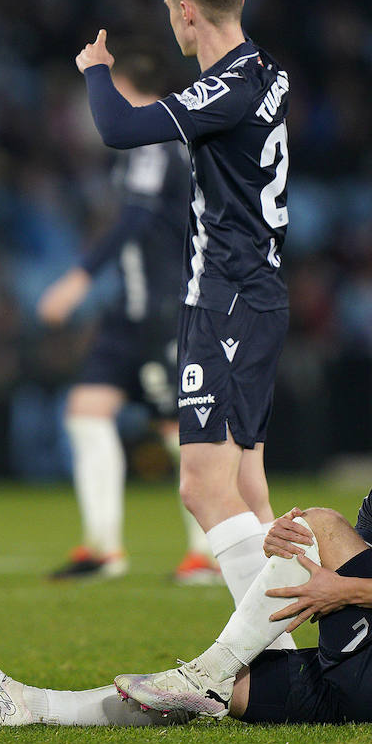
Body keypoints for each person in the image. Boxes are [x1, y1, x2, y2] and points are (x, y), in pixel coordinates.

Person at [0, 346, 372, 726]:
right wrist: (297, 562)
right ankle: (30, 706)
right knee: (213, 692)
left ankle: (209, 671)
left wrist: (333, 576)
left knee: (317, 522)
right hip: (366, 669)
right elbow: (348, 589)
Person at [72, 0, 292, 616]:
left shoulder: (223, 90)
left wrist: (97, 70)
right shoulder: (266, 68)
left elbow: (119, 127)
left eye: (172, 9)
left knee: (201, 487)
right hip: (256, 294)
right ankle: (316, 634)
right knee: (250, 491)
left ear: (187, 12)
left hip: (225, 297)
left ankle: (272, 639)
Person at [38, 48, 221, 584]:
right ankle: (103, 548)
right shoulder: (151, 145)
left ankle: (210, 552)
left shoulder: (155, 140)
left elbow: (136, 218)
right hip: (130, 309)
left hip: (164, 308)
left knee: (178, 424)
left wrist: (78, 278)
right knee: (86, 410)